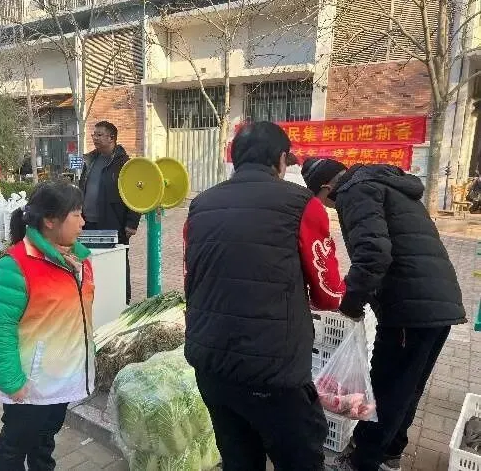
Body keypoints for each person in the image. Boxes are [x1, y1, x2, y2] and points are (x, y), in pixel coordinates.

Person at [183, 122, 346, 470]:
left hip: (211, 365)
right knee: (299, 460)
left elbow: (191, 278)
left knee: (238, 458)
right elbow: (329, 294)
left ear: (235, 157)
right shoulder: (303, 204)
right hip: (273, 371)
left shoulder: (200, 205)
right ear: (281, 159)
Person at [301, 158, 467, 471]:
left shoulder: (354, 192)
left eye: (321, 201)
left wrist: (350, 302)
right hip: (439, 303)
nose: (327, 207)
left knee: (387, 390)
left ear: (326, 188)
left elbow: (373, 254)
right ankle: (390, 454)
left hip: (408, 308)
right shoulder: (388, 185)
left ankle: (362, 462)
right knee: (408, 387)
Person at [0, 180, 94, 471]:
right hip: (31, 383)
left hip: (64, 376)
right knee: (14, 445)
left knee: (45, 439)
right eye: (76, 214)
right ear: (50, 220)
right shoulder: (15, 264)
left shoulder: (79, 260)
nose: (83, 222)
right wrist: (11, 380)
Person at [79, 121, 140, 304]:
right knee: (90, 261)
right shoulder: (90, 160)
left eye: (99, 135)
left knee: (116, 262)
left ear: (111, 138)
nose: (95, 138)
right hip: (87, 223)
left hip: (113, 223)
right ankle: (95, 300)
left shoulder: (124, 164)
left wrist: (132, 222)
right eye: (94, 134)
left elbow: (136, 193)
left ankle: (122, 300)